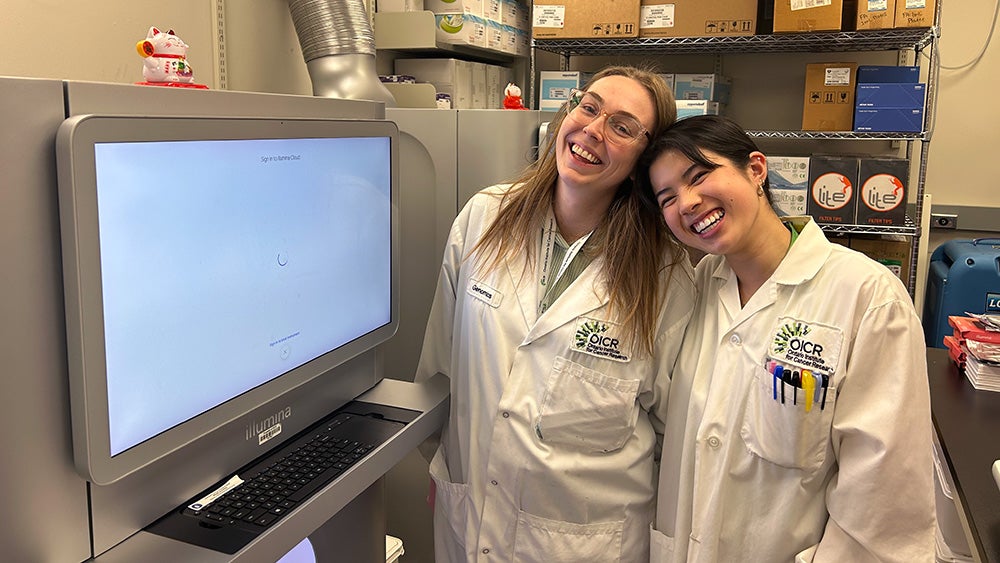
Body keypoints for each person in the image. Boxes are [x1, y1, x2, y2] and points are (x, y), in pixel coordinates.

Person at [413, 65, 695, 562]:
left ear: (642, 160)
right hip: (471, 518)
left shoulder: (664, 274)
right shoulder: (485, 216)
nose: (593, 129)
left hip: (583, 544)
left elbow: (675, 439)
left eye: (623, 126)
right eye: (588, 107)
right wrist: (445, 469)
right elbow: (439, 370)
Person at [640, 114, 935, 562]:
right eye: (667, 198)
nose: (688, 202)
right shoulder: (695, 289)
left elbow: (883, 497)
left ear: (756, 170)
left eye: (699, 175)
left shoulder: (865, 296)